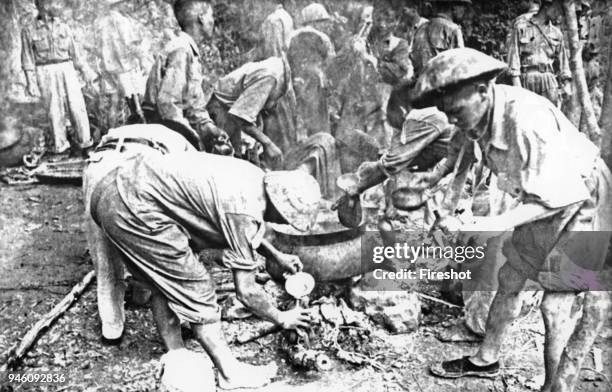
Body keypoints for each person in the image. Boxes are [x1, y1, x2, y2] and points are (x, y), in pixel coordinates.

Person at [412, 48, 611, 392]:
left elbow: (561, 196)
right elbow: (460, 155)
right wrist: (444, 202)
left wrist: (484, 225)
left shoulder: (525, 122)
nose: (453, 119)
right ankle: (487, 360)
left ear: (482, 91)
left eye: (456, 111)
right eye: (447, 113)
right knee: (511, 278)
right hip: (541, 194)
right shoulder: (474, 117)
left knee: (556, 304)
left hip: (582, 196)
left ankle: (555, 386)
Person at [89, 152, 321, 389]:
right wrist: (282, 318)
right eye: (284, 220)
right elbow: (247, 291)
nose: (282, 224)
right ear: (280, 210)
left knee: (164, 279)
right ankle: (230, 373)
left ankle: (177, 355)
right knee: (198, 286)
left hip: (115, 188)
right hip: (131, 206)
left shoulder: (254, 177)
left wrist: (275, 255)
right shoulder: (245, 211)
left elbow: (243, 226)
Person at [83, 124, 195, 344]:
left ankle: (112, 327)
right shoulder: (188, 149)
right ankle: (176, 315)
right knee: (158, 241)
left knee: (103, 252)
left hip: (99, 163)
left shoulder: (150, 130)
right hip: (139, 164)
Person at [142, 0, 225, 151]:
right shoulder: (181, 50)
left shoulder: (187, 49)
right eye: (210, 16)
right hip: (166, 138)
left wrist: (210, 129)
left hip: (174, 133)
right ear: (201, 18)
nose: (213, 21)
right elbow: (169, 107)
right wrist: (197, 143)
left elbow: (191, 106)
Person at [21, 0, 96, 156]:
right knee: (54, 110)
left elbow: (76, 54)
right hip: (45, 70)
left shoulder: (64, 26)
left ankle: (85, 144)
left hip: (66, 67)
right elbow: (27, 59)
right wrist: (31, 83)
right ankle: (61, 147)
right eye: (47, 3)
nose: (52, 6)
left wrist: (85, 71)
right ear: (39, 5)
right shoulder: (28, 29)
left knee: (77, 106)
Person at [206, 56, 291, 169]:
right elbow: (240, 115)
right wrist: (268, 144)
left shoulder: (277, 67)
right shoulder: (271, 76)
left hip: (230, 113)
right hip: (222, 112)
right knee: (226, 167)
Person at [94, 1, 147, 131]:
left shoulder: (100, 22)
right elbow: (129, 44)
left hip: (107, 68)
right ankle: (141, 130)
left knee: (113, 102)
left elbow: (97, 47)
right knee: (134, 104)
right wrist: (142, 58)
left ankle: (109, 133)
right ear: (117, 5)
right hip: (124, 67)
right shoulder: (121, 21)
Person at [506, 0, 572, 106]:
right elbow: (513, 57)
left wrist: (566, 84)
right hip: (526, 79)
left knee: (549, 120)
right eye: (558, 10)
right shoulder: (521, 27)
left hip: (549, 82)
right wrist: (517, 85)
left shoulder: (556, 33)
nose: (560, 15)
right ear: (547, 6)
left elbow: (563, 61)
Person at [288, 2, 336, 137]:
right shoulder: (322, 38)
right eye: (323, 21)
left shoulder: (291, 36)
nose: (325, 25)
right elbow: (332, 64)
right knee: (318, 126)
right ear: (316, 21)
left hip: (295, 86)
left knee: (297, 123)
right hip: (316, 88)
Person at [257, 3, 299, 155]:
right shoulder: (284, 17)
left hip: (276, 83)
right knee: (286, 133)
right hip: (283, 80)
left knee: (279, 135)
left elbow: (272, 57)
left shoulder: (273, 20)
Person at [410, 0, 468, 78]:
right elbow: (460, 66)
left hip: (420, 84)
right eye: (463, 5)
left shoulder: (421, 28)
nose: (465, 10)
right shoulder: (453, 30)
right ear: (454, 7)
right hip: (441, 84)